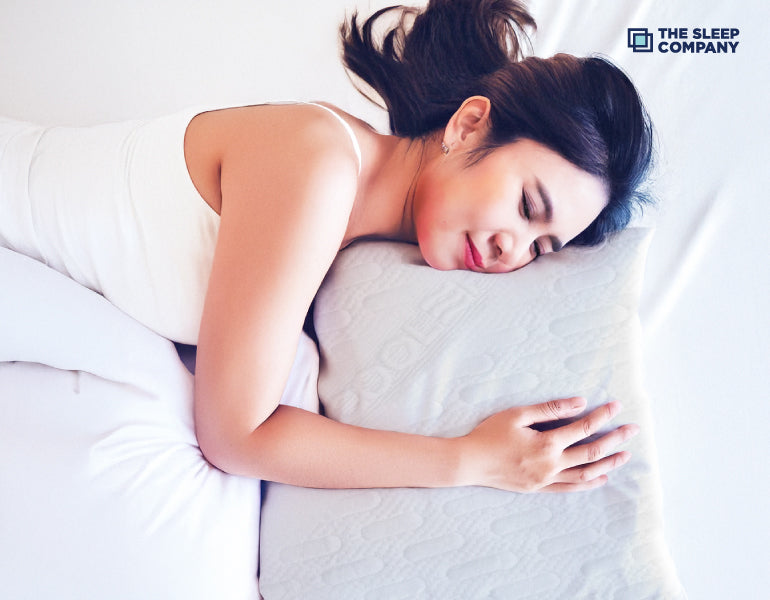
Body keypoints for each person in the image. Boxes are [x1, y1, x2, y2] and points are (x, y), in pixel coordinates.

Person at [0, 0, 652, 493]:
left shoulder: (352, 229)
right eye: (527, 206)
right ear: (469, 124)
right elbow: (235, 435)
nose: (514, 250)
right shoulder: (317, 164)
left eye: (541, 249)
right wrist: (472, 460)